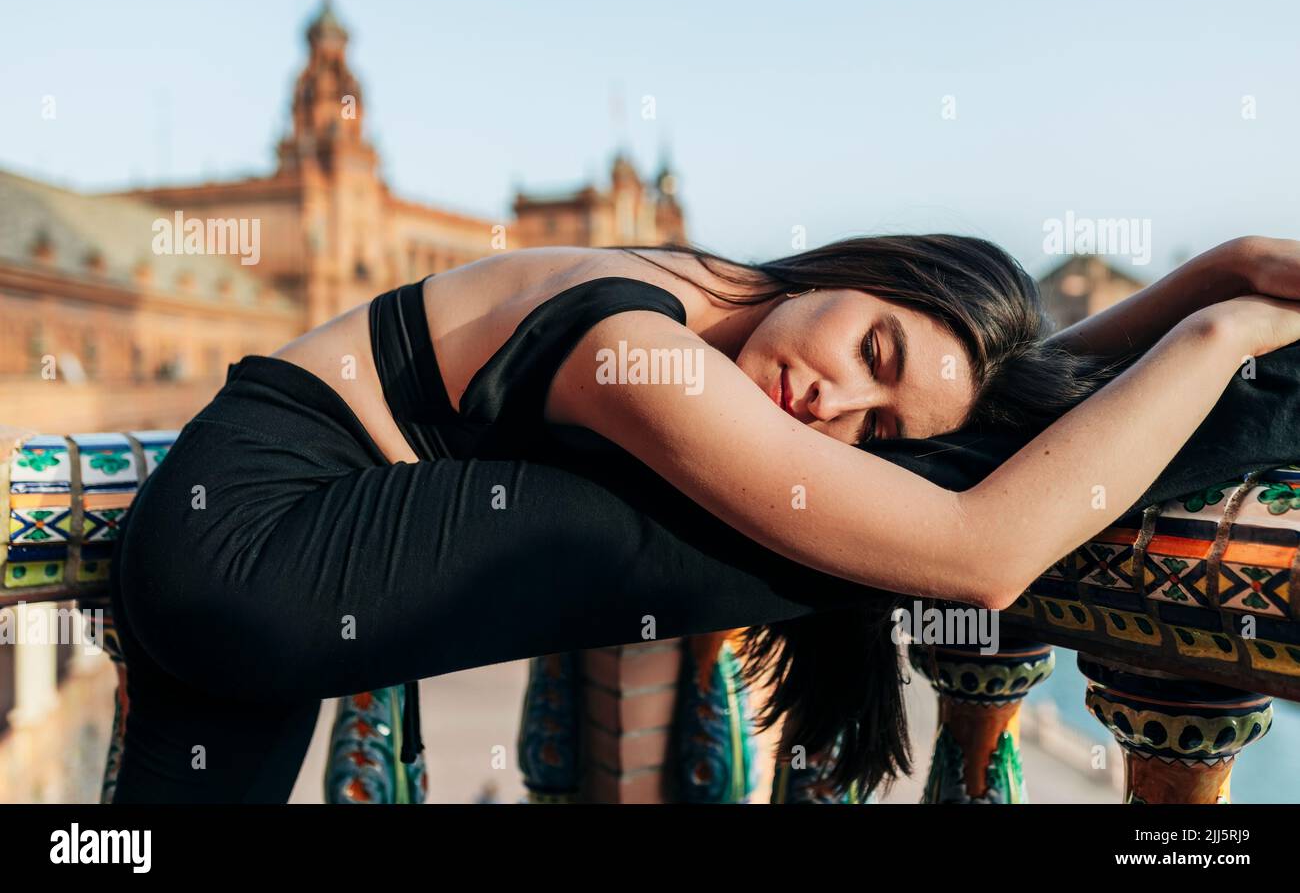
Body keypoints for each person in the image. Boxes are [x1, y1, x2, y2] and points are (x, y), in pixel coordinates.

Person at [108, 234, 1300, 802]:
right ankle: (1271, 405)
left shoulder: (712, 299)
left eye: (873, 420)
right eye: (870, 347)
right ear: (860, 269)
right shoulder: (638, 347)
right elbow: (976, 557)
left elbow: (966, 408)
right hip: (258, 552)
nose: (835, 401)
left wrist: (1211, 270)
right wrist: (1225, 336)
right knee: (791, 528)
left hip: (228, 559)